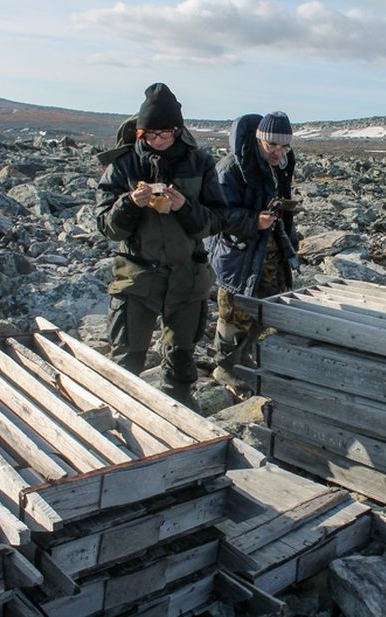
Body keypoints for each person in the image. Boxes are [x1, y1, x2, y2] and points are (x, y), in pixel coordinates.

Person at [95, 82, 227, 408]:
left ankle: (179, 416)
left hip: (187, 276)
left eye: (166, 133)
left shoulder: (200, 164)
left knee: (182, 358)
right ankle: (119, 418)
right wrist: (129, 203)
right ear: (140, 133)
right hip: (137, 276)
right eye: (152, 134)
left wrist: (186, 207)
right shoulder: (123, 166)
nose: (159, 141)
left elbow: (218, 220)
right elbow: (107, 228)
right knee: (127, 358)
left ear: (178, 131)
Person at [206, 112, 299, 388]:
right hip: (237, 250)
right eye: (273, 146)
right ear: (260, 139)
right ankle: (225, 368)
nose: (278, 152)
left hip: (269, 248)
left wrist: (289, 238)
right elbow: (216, 215)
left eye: (284, 147)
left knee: (268, 301)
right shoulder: (231, 168)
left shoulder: (281, 164)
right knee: (234, 308)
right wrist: (252, 221)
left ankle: (244, 356)